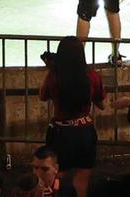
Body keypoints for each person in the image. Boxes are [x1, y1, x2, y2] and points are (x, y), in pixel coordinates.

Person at [39, 36, 105, 197]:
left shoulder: (55, 77)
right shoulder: (93, 76)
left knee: (56, 176)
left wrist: (51, 69)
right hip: (85, 131)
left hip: (62, 132)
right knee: (82, 178)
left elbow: (42, 95)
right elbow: (102, 104)